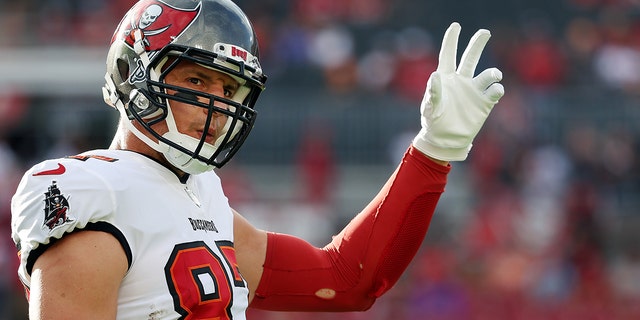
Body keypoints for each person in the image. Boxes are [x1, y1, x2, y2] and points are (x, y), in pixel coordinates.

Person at [10, 0, 504, 319]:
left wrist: (435, 148)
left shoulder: (199, 196)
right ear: (131, 73)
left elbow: (346, 280)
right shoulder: (93, 191)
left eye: (229, 88)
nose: (216, 105)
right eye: (196, 81)